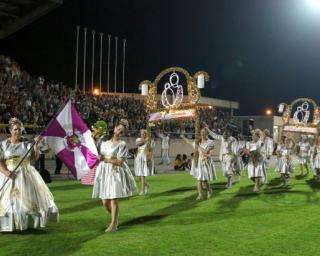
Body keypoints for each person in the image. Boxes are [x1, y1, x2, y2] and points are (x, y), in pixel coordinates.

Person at [0, 118, 59, 232]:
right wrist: (6, 172)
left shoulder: (27, 143)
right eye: (15, 129)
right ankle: (9, 224)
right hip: (8, 174)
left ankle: (28, 224)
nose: (18, 132)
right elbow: (0, 161)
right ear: (10, 130)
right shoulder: (3, 144)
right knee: (8, 201)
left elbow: (34, 158)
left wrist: (36, 145)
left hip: (26, 174)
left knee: (26, 201)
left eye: (20, 129)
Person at [92, 119, 136, 232]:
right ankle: (115, 219)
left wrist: (106, 159)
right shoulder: (105, 143)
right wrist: (93, 137)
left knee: (113, 199)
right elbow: (97, 153)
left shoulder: (122, 144)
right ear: (115, 128)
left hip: (115, 172)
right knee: (104, 201)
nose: (120, 131)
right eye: (119, 128)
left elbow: (120, 162)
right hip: (104, 173)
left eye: (122, 131)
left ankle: (113, 224)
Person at [181, 128, 215, 200]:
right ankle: (200, 195)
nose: (202, 134)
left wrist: (198, 146)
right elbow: (189, 142)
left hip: (205, 161)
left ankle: (209, 190)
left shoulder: (211, 142)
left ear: (207, 133)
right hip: (198, 161)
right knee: (199, 179)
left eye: (204, 132)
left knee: (204, 180)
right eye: (201, 132)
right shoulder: (198, 141)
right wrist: (183, 137)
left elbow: (206, 152)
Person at [81, 120, 108, 186]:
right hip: (95, 158)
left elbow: (97, 147)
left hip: (100, 158)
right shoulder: (95, 137)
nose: (94, 130)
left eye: (95, 128)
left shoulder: (103, 138)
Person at [134, 129, 154, 195]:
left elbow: (150, 150)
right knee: (139, 176)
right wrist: (146, 140)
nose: (142, 135)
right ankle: (147, 185)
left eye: (144, 134)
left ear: (146, 134)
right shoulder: (138, 139)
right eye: (141, 134)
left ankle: (142, 190)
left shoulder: (148, 141)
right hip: (138, 158)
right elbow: (138, 145)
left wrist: (149, 157)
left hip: (143, 158)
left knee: (142, 175)